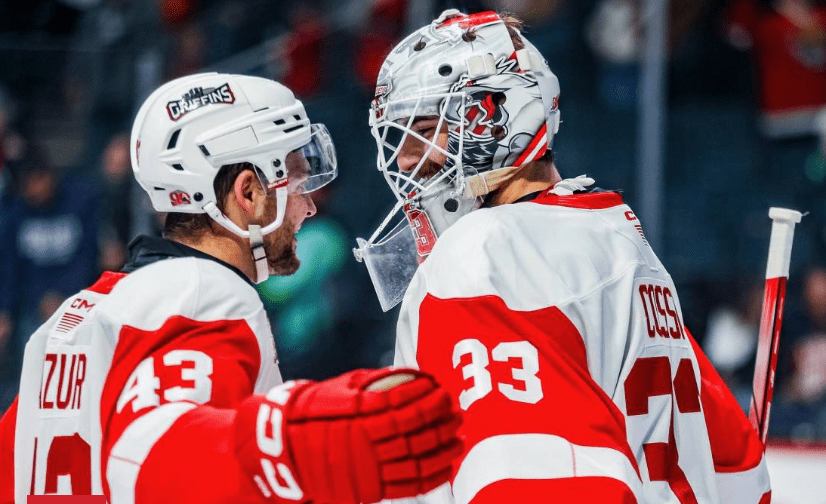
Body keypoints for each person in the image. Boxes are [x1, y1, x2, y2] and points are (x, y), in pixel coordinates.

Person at [355, 10, 770, 503]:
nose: (404, 160)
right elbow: (740, 472)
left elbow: (538, 486)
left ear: (492, 118)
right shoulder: (615, 236)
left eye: (423, 129)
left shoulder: (486, 254)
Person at [0, 72, 462, 504]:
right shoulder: (204, 294)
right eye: (298, 180)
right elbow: (148, 454)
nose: (309, 207)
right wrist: (305, 446)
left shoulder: (80, 312)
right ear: (248, 193)